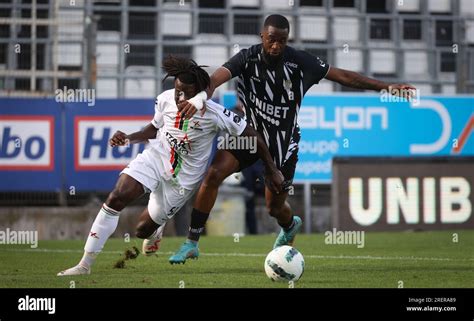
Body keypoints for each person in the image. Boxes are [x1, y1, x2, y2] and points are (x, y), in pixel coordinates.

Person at [166, 14, 416, 264]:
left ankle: (289, 225)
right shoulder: (246, 58)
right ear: (262, 36)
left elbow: (344, 76)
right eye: (271, 40)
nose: (276, 46)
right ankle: (192, 242)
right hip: (248, 136)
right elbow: (214, 80)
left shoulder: (300, 62)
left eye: (282, 41)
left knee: (274, 208)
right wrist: (199, 97)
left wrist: (386, 87)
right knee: (213, 175)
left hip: (282, 144)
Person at [57, 55, 283, 276]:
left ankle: (155, 231)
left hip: (181, 182)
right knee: (117, 196)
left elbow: (252, 134)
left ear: (200, 94)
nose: (179, 97)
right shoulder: (165, 99)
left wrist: (271, 169)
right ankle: (84, 265)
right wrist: (128, 138)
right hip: (156, 158)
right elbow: (153, 129)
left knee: (141, 230)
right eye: (177, 91)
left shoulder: (215, 114)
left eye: (186, 93)